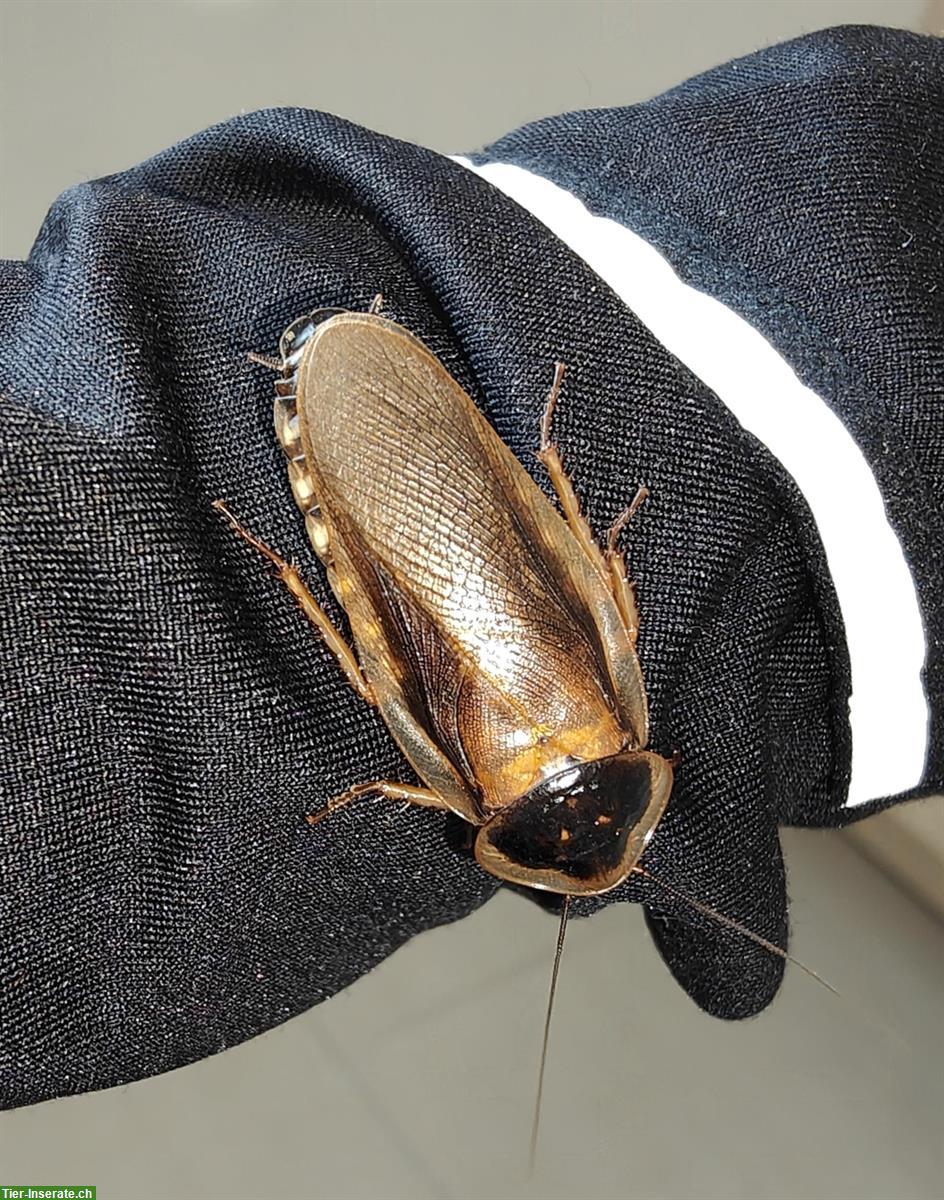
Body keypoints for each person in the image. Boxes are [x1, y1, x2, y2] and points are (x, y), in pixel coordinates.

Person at [1, 24, 939, 1109]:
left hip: (510, 455)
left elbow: (603, 597)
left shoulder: (619, 727)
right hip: (418, 479)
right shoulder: (464, 792)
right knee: (378, 655)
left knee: (511, 608)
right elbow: (386, 679)